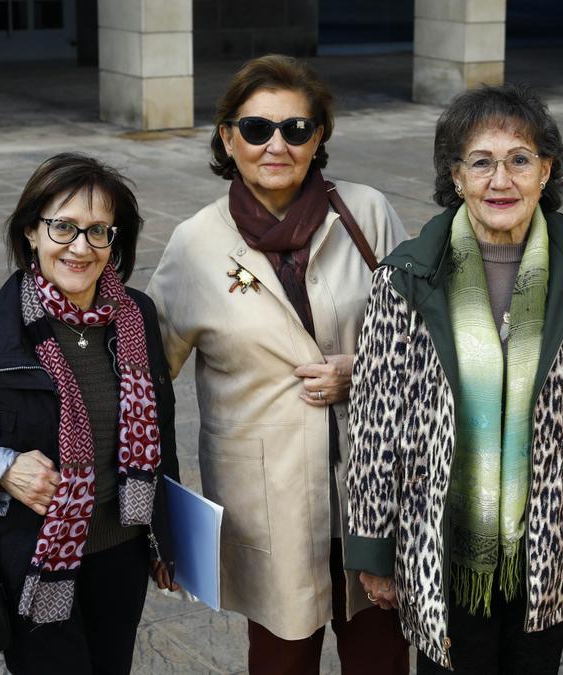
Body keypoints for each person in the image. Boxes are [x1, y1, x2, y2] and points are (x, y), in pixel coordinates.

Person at [344, 83, 563, 674]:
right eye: (481, 162)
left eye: (519, 160)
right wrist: (373, 551)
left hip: (552, 542)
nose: (500, 180)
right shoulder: (407, 276)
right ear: (456, 176)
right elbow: (376, 426)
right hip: (441, 545)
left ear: (545, 170)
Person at [146, 54, 409, 674]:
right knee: (280, 659)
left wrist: (361, 371)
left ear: (319, 138)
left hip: (370, 489)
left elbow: (424, 341)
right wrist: (154, 509)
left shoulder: (366, 214)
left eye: (296, 129)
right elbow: (148, 377)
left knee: (381, 657)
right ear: (227, 136)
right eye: (257, 128)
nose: (276, 145)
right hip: (266, 496)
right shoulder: (195, 243)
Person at [0, 152, 181, 674]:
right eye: (63, 227)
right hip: (28, 561)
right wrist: (3, 468)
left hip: (122, 552)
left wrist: (168, 535)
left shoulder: (135, 315)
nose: (80, 247)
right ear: (31, 231)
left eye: (99, 231)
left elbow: (160, 431)